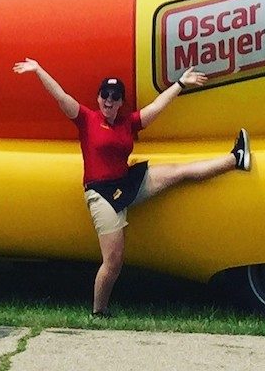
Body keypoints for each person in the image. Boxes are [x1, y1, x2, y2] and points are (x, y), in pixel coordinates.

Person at [13, 57, 250, 318]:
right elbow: (61, 96)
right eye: (105, 95)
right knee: (113, 263)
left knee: (179, 171)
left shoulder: (128, 123)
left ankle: (235, 159)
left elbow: (157, 107)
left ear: (121, 102)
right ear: (99, 97)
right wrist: (38, 70)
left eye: (115, 96)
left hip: (126, 184)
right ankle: (98, 312)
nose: (109, 100)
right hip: (101, 194)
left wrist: (180, 83)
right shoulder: (87, 120)